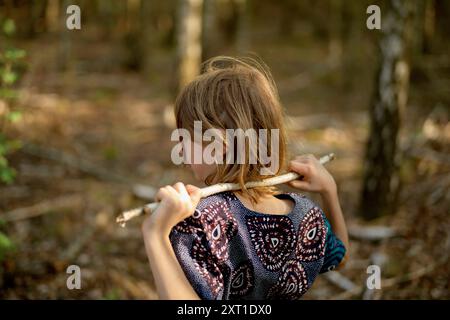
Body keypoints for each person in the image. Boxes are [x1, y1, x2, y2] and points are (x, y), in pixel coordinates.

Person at [141, 56, 349, 300]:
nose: (178, 146)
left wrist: (156, 234)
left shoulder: (201, 223)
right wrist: (329, 192)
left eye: (184, 136)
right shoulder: (306, 215)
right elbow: (339, 259)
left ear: (219, 144)